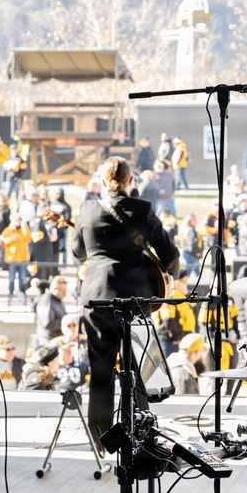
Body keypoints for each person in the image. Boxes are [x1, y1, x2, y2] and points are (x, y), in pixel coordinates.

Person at [71, 157, 180, 441]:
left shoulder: (87, 209)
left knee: (101, 369)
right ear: (131, 181)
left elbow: (77, 254)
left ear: (103, 181)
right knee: (140, 370)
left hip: (96, 297)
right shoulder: (143, 209)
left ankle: (101, 436)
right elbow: (169, 254)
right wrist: (168, 279)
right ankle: (141, 434)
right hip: (135, 298)